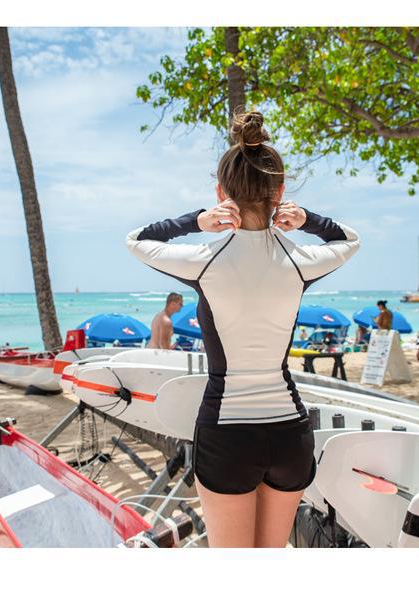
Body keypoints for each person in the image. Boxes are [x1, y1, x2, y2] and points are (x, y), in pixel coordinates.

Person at [125, 109, 360, 548]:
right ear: (280, 192)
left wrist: (196, 221)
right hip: (290, 432)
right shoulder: (300, 261)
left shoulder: (204, 260)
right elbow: (350, 240)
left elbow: (136, 240)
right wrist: (308, 220)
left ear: (221, 193)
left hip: (227, 433)